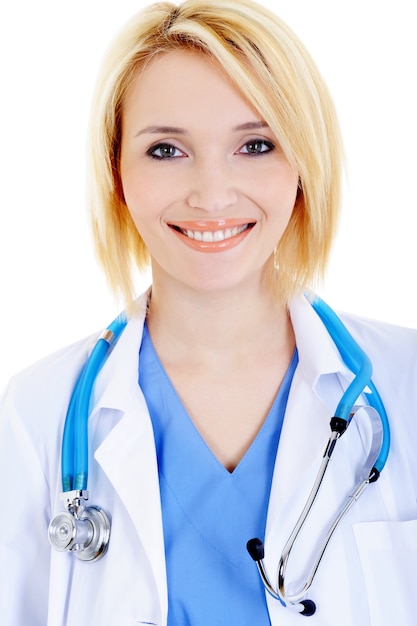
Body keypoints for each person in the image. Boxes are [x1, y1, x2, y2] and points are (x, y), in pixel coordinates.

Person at [1, 1, 416, 624]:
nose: (213, 194)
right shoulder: (35, 418)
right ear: (117, 172)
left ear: (303, 166)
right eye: (166, 150)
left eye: (255, 144)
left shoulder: (407, 384)